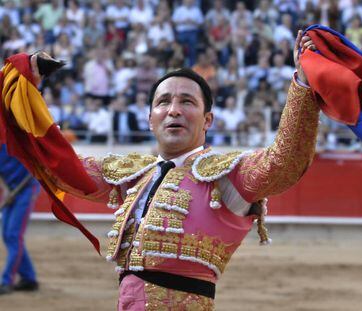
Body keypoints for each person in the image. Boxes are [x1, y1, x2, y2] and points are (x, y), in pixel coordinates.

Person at [7, 31, 318, 309]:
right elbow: (65, 170)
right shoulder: (134, 174)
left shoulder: (227, 177)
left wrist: (302, 85)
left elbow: (284, 162)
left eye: (187, 101)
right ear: (150, 119)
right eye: (164, 102)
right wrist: (25, 92)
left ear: (207, 120)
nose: (174, 110)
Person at [0, 145, 39, 295]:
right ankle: (29, 279)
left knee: (14, 235)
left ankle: (6, 281)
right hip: (11, 189)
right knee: (7, 235)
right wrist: (7, 190)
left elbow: (37, 163)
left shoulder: (18, 137)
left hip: (27, 189)